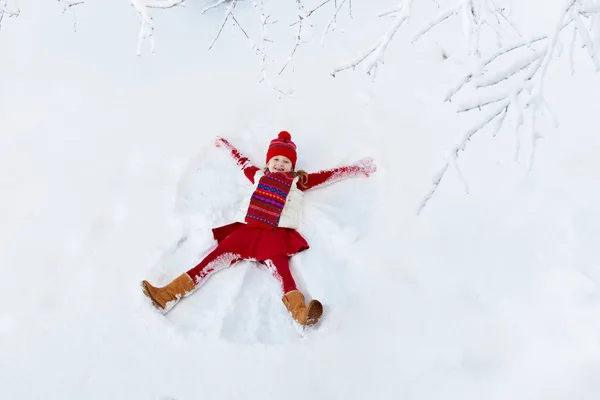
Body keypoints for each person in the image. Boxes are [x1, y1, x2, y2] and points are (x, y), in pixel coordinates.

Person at [141, 131, 376, 327]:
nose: (280, 164)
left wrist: (355, 169)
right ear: (268, 162)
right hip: (246, 233)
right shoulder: (258, 175)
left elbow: (328, 176)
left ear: (292, 165)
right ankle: (166, 295)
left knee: (284, 275)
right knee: (209, 262)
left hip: (275, 237)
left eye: (285, 162)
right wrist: (228, 147)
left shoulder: (298, 182)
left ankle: (301, 314)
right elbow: (242, 161)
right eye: (276, 160)